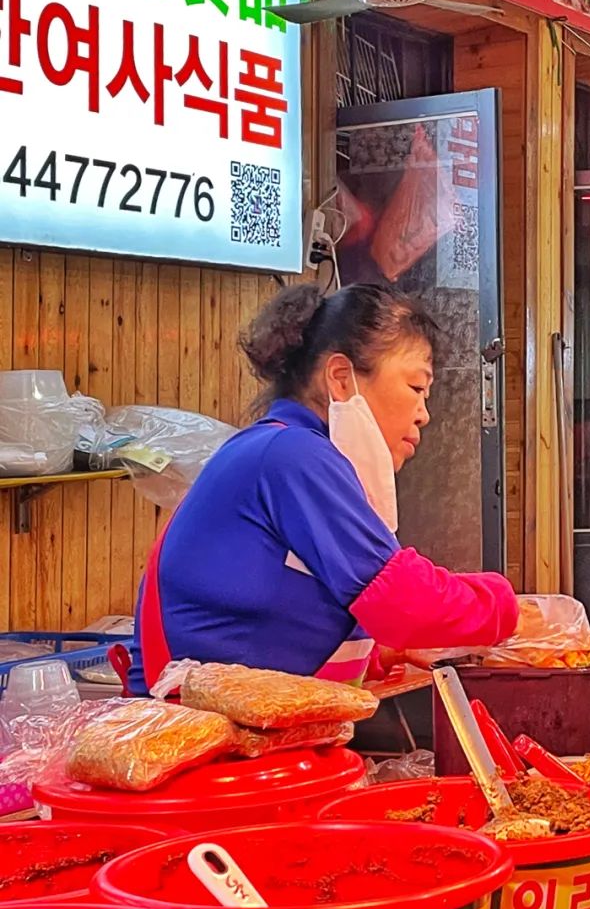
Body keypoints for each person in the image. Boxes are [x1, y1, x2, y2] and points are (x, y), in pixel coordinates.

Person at [127, 282, 519, 693]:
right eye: (417, 388)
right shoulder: (293, 454)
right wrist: (513, 609)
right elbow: (401, 603)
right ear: (341, 379)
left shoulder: (289, 449)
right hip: (188, 734)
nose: (424, 414)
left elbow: (276, 621)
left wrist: (387, 655)